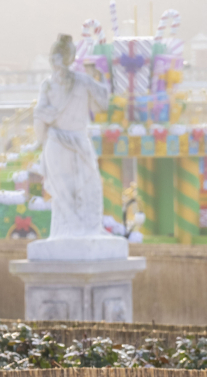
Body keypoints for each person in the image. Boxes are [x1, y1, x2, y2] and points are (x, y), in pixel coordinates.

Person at [34, 34, 110, 239]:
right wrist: (101, 78)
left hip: (56, 143)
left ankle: (71, 231)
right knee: (87, 188)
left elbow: (39, 119)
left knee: (64, 194)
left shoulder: (48, 85)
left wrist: (40, 143)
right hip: (75, 142)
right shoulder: (83, 81)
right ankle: (85, 230)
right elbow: (104, 103)